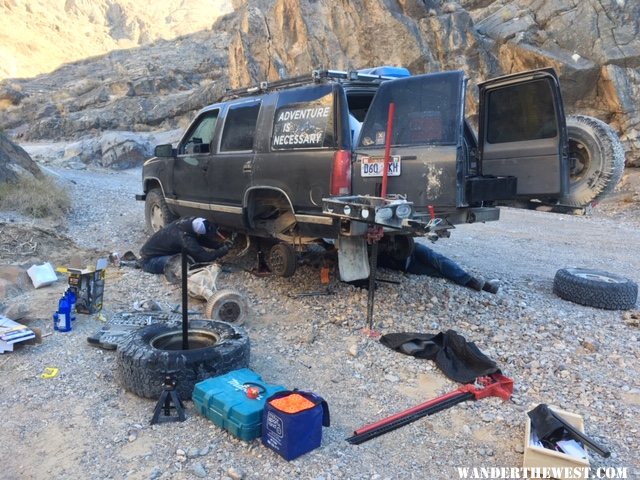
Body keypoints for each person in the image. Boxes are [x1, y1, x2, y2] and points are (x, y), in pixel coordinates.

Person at [377, 242, 500, 294]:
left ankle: (474, 282)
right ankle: (476, 283)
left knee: (438, 260)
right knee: (439, 271)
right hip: (406, 265)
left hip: (412, 250)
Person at [139, 217, 230, 275]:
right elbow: (204, 257)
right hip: (149, 261)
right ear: (198, 233)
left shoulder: (188, 222)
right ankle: (140, 264)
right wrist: (223, 250)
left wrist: (219, 245)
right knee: (186, 263)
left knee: (190, 256)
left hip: (150, 252)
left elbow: (201, 239)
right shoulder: (185, 238)